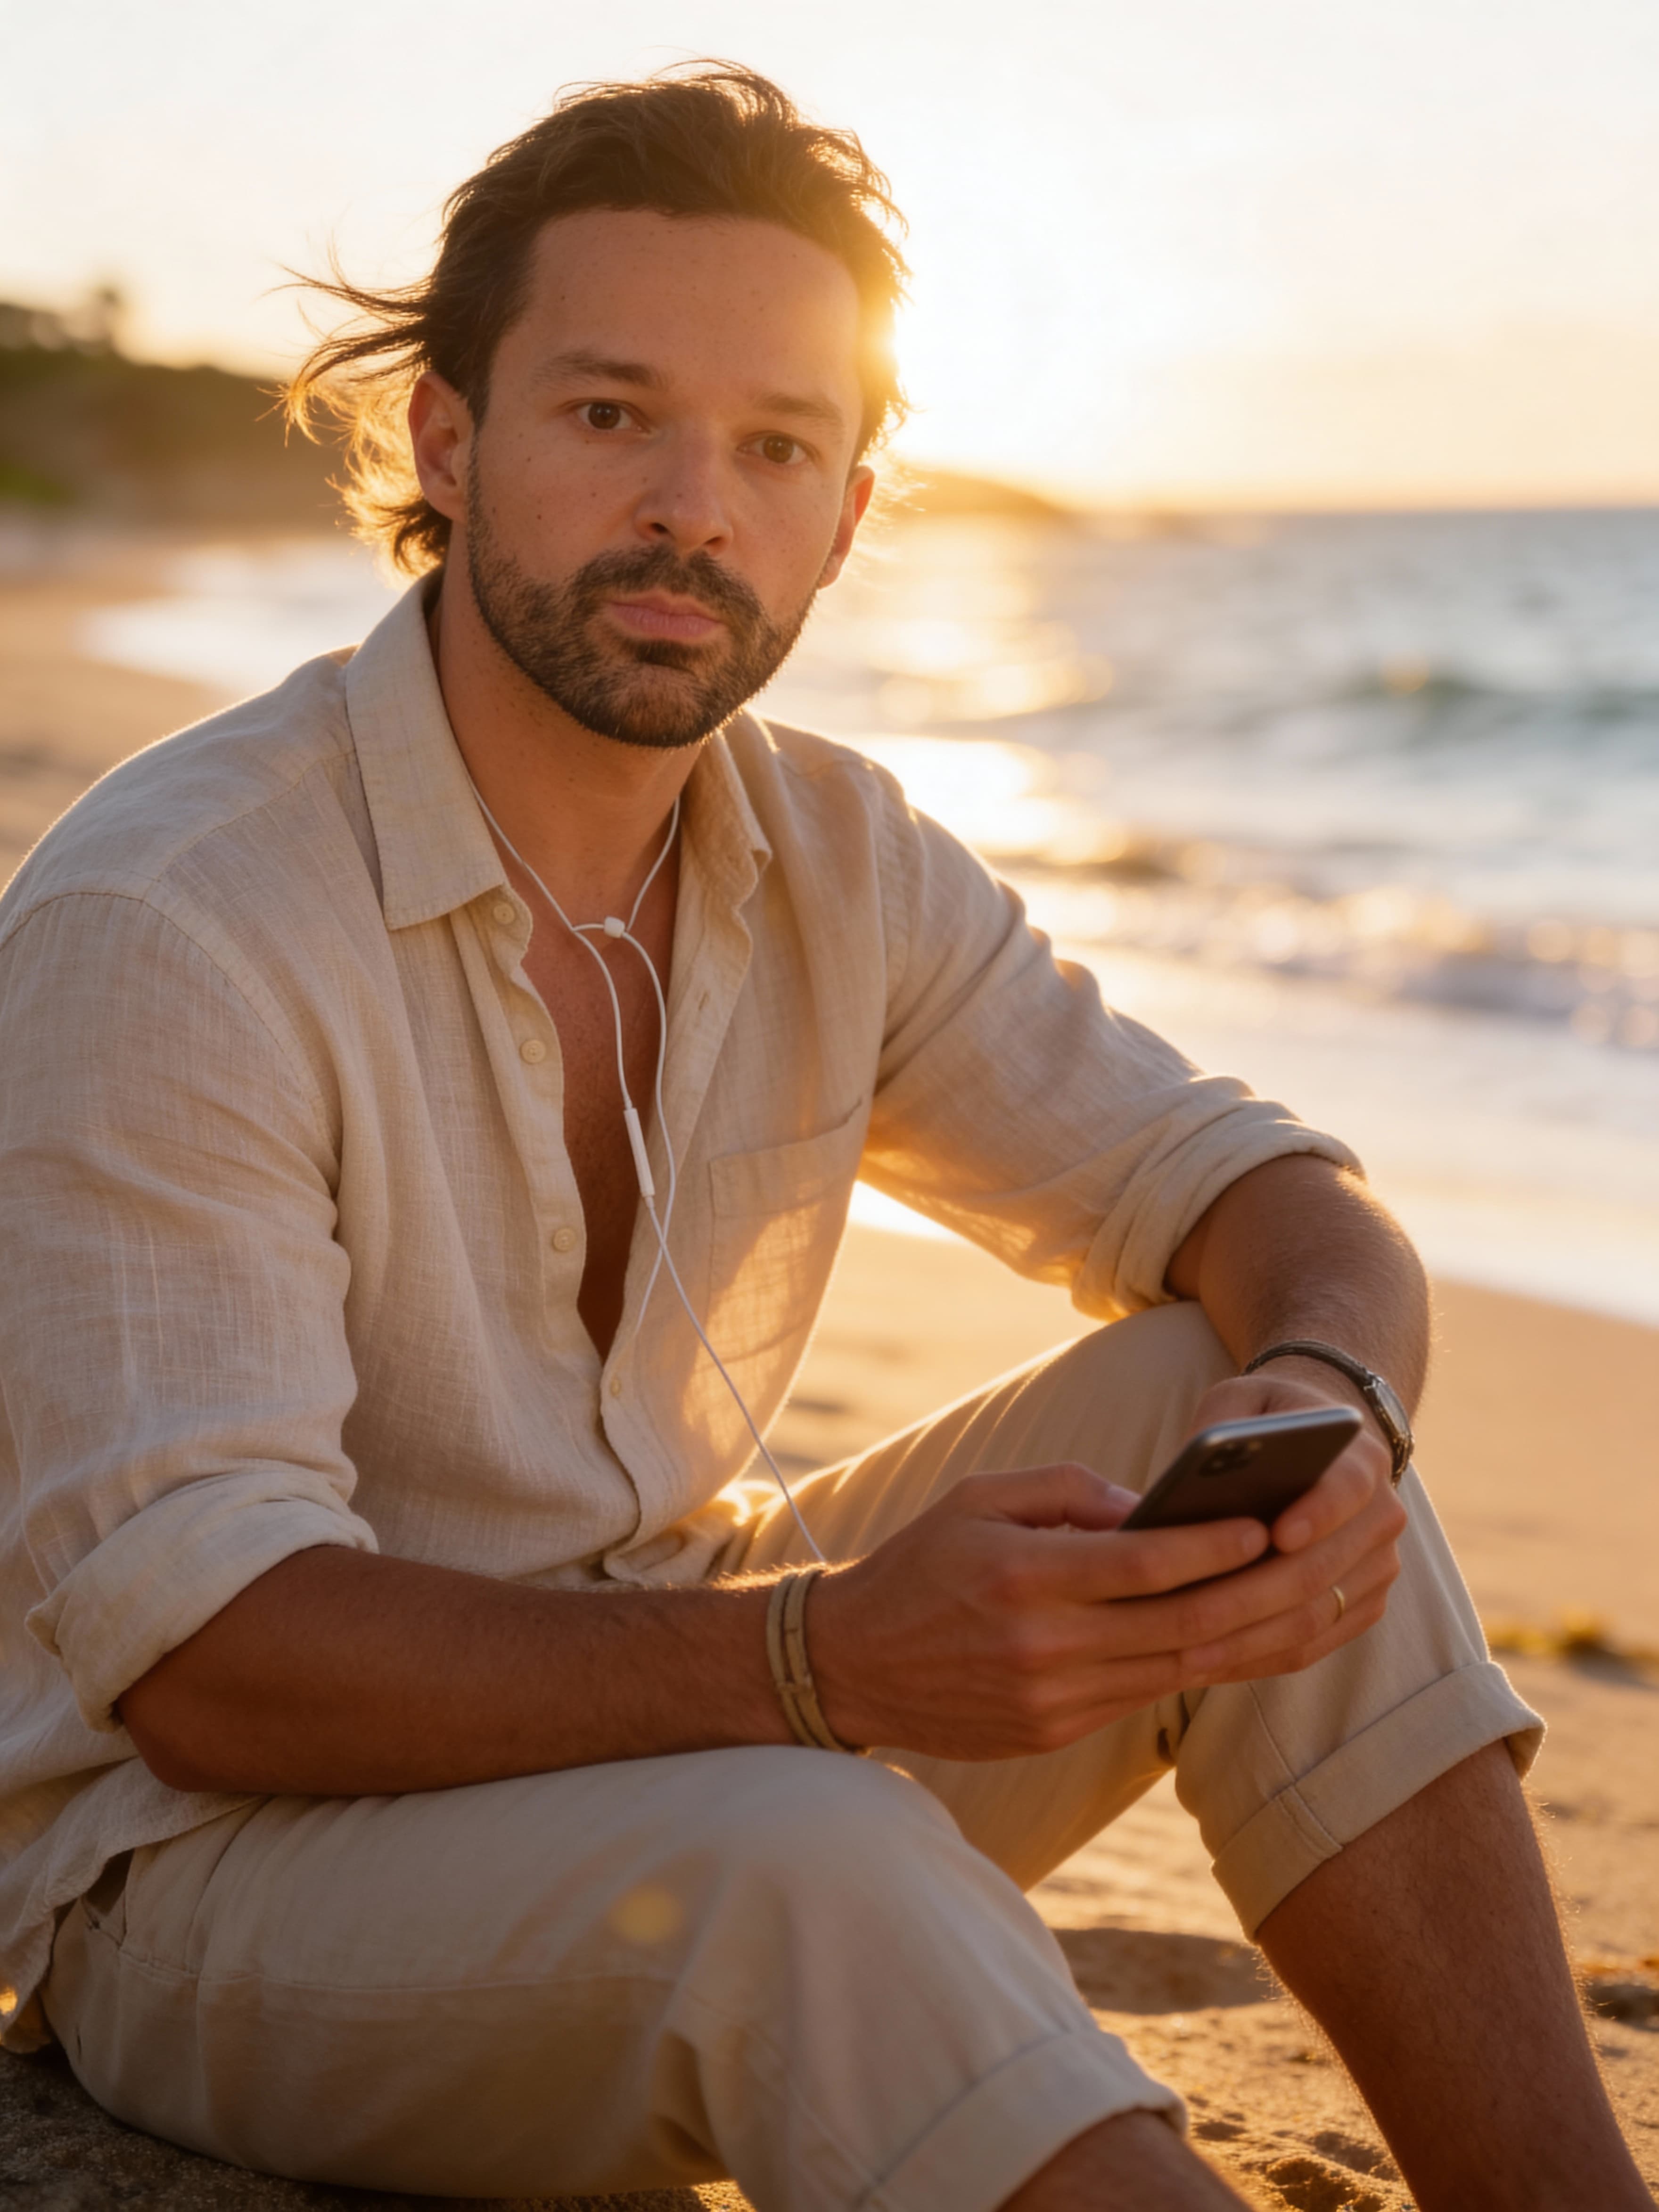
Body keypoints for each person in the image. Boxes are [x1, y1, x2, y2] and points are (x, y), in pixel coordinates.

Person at [0, 64, 1645, 2212]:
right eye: (611, 415)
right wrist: (819, 1652)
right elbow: (213, 1667)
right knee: (814, 1849)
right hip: (214, 1880)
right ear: (445, 436)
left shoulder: (836, 852)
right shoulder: (174, 915)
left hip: (674, 1695)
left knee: (1233, 1426)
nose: (696, 506)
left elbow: (1257, 1191)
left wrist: (1333, 1400)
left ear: (848, 512)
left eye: (777, 445)